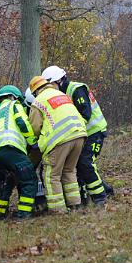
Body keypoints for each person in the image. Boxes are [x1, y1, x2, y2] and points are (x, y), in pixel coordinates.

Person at [41, 65, 109, 206]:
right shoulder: (62, 93)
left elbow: (86, 114)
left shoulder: (76, 90)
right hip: (81, 134)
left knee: (85, 162)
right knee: (78, 164)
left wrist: (71, 131)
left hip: (94, 132)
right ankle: (104, 191)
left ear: (58, 81)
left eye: (50, 85)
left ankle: (100, 197)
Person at [27, 75, 87, 213]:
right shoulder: (61, 94)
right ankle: (75, 204)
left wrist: (34, 142)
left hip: (59, 140)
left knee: (52, 175)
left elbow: (35, 127)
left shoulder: (38, 101)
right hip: (79, 135)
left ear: (35, 91)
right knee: (69, 171)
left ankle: (58, 209)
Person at [0, 85, 38, 220]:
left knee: (7, 182)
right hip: (10, 147)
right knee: (29, 178)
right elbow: (22, 122)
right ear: (13, 97)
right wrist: (33, 142)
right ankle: (24, 215)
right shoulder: (14, 105)